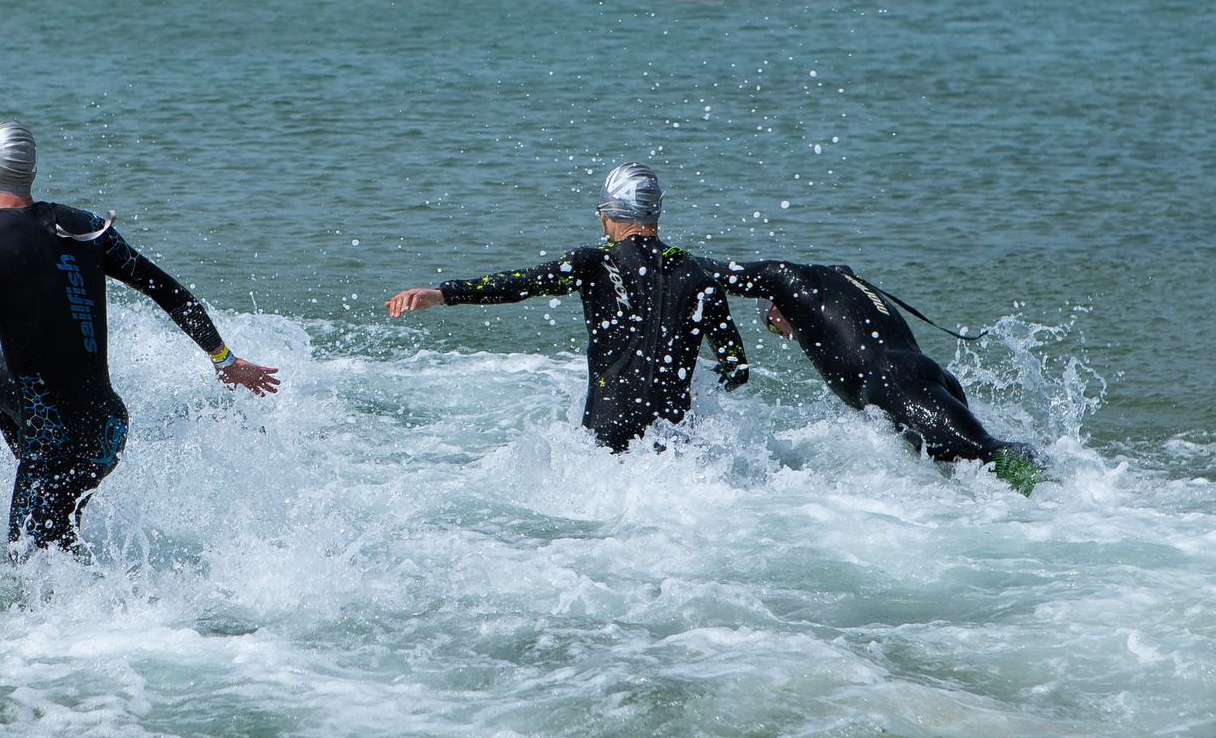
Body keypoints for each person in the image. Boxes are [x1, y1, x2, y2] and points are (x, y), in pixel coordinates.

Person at [0, 121, 280, 554]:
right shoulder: (85, 225)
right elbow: (170, 291)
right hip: (108, 430)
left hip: (57, 445)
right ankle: (42, 478)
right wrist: (224, 359)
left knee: (30, 575)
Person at [385, 164, 749, 452]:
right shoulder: (699, 276)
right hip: (675, 439)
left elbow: (520, 284)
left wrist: (443, 293)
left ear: (608, 212)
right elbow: (736, 370)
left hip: (607, 431)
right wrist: (696, 385)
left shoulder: (594, 262)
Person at [717, 259, 1041, 492]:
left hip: (896, 388)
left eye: (774, 327)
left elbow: (715, 271)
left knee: (987, 451)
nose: (786, 336)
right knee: (964, 470)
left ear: (776, 310)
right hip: (928, 378)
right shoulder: (846, 285)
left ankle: (1059, 490)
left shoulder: (797, 288)